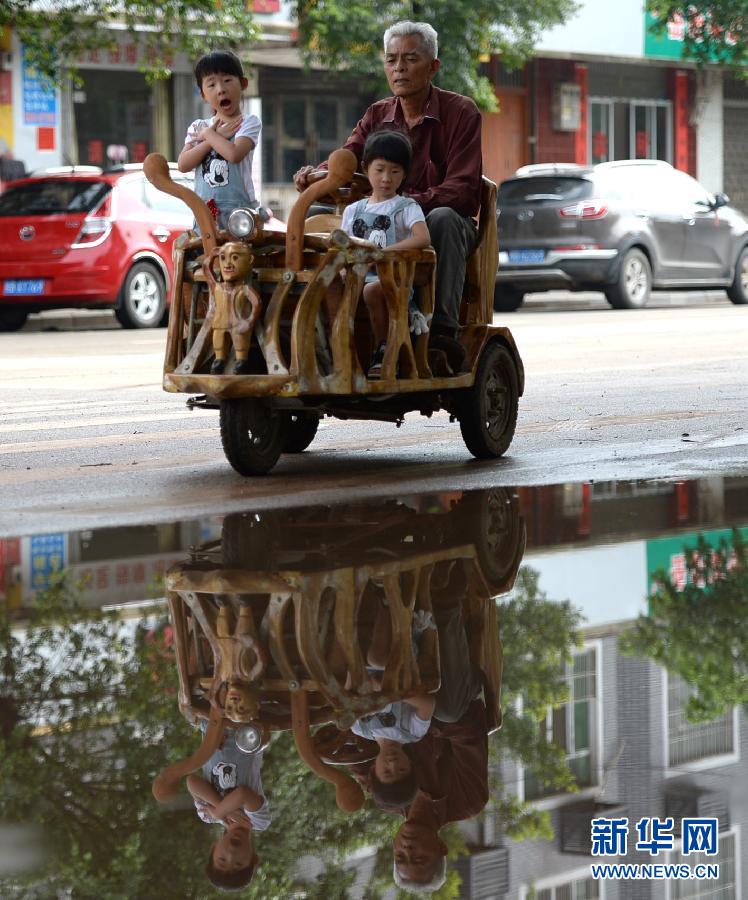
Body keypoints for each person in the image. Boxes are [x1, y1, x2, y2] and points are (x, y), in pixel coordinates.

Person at [294, 21, 482, 373]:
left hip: (442, 225)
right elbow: (349, 159)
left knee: (440, 217)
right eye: (391, 60)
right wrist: (317, 174)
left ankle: (441, 330)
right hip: (379, 223)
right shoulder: (377, 114)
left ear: (433, 66)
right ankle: (318, 324)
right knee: (316, 219)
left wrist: (403, 205)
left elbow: (464, 189)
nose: (399, 68)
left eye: (410, 59)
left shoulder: (462, 112)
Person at [340, 129, 431, 378]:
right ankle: (335, 352)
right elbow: (342, 246)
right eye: (379, 169)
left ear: (405, 173)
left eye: (395, 171)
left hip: (393, 280)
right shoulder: (352, 210)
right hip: (357, 274)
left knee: (371, 289)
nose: (386, 178)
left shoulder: (406, 207)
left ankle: (383, 349)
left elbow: (423, 237)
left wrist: (383, 253)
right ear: (366, 167)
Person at [178, 50, 261, 230]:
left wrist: (207, 135)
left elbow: (234, 154)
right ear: (203, 94)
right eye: (211, 84)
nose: (221, 89)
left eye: (227, 80)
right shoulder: (198, 126)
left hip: (241, 215)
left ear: (243, 84)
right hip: (205, 214)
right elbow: (183, 164)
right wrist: (214, 137)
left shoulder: (249, 122)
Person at [186, 724, 271, 891]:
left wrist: (220, 812)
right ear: (253, 858)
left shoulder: (207, 817)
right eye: (238, 863)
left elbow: (192, 782)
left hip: (213, 726)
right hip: (249, 727)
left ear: (213, 849)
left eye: (222, 860)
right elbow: (243, 794)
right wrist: (218, 810)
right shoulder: (258, 821)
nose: (231, 854)